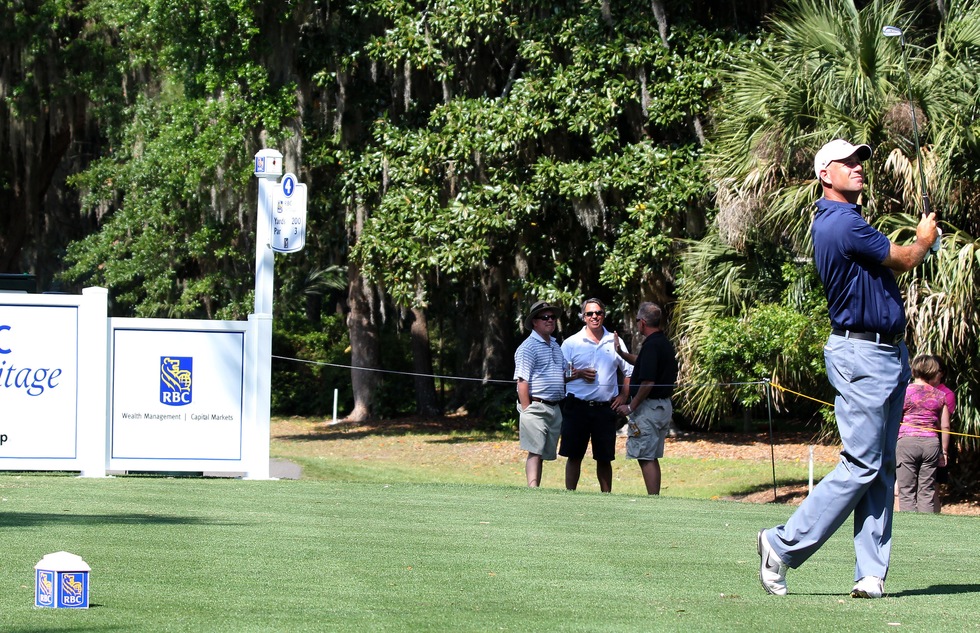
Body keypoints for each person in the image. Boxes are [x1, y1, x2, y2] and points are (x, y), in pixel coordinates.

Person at [757, 139, 939, 599]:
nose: (859, 168)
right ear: (825, 174)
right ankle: (781, 545)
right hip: (861, 355)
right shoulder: (841, 222)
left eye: (861, 161)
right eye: (848, 162)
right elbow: (904, 258)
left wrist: (922, 244)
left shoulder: (851, 221)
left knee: (880, 469)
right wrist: (923, 240)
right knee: (861, 464)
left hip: (886, 354)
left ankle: (870, 573)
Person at [559, 298, 633, 492]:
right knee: (574, 455)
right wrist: (579, 373)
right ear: (583, 317)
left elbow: (629, 372)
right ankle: (570, 496)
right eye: (590, 313)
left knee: (604, 457)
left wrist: (624, 396)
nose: (595, 317)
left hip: (605, 408)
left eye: (598, 313)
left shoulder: (615, 341)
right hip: (577, 407)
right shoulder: (571, 343)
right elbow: (559, 375)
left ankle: (606, 497)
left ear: (604, 315)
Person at [613, 302, 677, 495]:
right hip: (661, 407)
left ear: (642, 322)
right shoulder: (662, 343)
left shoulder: (651, 345)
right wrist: (622, 354)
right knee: (650, 455)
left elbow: (647, 382)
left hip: (649, 409)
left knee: (645, 456)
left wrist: (630, 407)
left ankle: (653, 499)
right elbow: (642, 363)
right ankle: (654, 497)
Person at [514, 300, 567, 487]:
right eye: (545, 317)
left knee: (543, 453)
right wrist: (528, 409)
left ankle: (537, 490)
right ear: (534, 322)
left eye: (552, 317)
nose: (550, 320)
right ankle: (532, 488)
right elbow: (522, 381)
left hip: (554, 407)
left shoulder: (554, 345)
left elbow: (561, 375)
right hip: (536, 405)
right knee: (535, 451)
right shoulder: (528, 347)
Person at [896, 355, 950, 513]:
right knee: (927, 491)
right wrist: (944, 451)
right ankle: (926, 528)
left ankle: (910, 529)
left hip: (906, 442)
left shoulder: (904, 392)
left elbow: (895, 417)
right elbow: (945, 426)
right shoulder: (940, 395)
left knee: (906, 490)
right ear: (933, 371)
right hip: (931, 444)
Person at [931, 355, 956, 512]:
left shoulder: (946, 394)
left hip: (937, 441)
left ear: (943, 373)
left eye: (937, 370)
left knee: (933, 488)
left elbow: (944, 424)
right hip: (911, 439)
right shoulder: (913, 389)